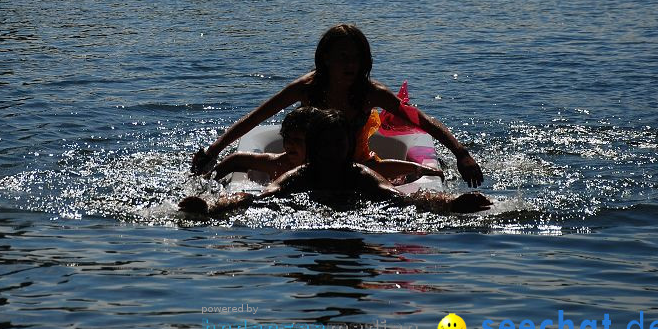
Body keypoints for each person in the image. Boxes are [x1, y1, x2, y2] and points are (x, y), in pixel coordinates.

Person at [191, 24, 484, 187]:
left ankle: (433, 183)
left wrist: (462, 153)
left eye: (356, 57)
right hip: (305, 164)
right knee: (251, 167)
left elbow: (420, 119)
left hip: (357, 165)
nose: (350, 64)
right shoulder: (306, 88)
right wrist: (213, 151)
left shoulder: (371, 93)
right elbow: (256, 117)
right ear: (326, 59)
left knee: (384, 186)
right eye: (342, 56)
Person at [180, 109, 491, 216]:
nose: (331, 151)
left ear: (348, 147)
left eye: (338, 144)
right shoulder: (302, 174)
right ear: (314, 148)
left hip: (352, 202)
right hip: (312, 204)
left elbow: (402, 198)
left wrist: (451, 203)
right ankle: (208, 208)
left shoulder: (358, 174)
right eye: (324, 145)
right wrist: (214, 201)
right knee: (253, 199)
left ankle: (455, 204)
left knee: (402, 202)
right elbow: (265, 195)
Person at [211, 106, 315, 182]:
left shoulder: (321, 168)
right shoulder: (279, 163)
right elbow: (236, 160)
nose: (289, 144)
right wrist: (206, 180)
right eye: (286, 138)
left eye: (297, 140)